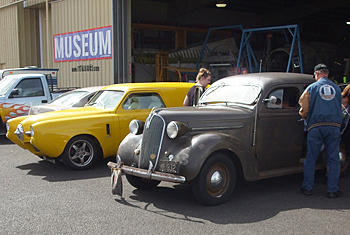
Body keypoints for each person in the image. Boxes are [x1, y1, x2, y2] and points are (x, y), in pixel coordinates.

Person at [298, 63, 343, 198]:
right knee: (334, 159)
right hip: (334, 126)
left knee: (311, 158)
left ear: (316, 74)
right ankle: (332, 190)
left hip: (316, 126)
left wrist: (305, 116)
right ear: (327, 74)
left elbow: (303, 106)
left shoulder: (311, 88)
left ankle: (307, 188)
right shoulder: (337, 88)